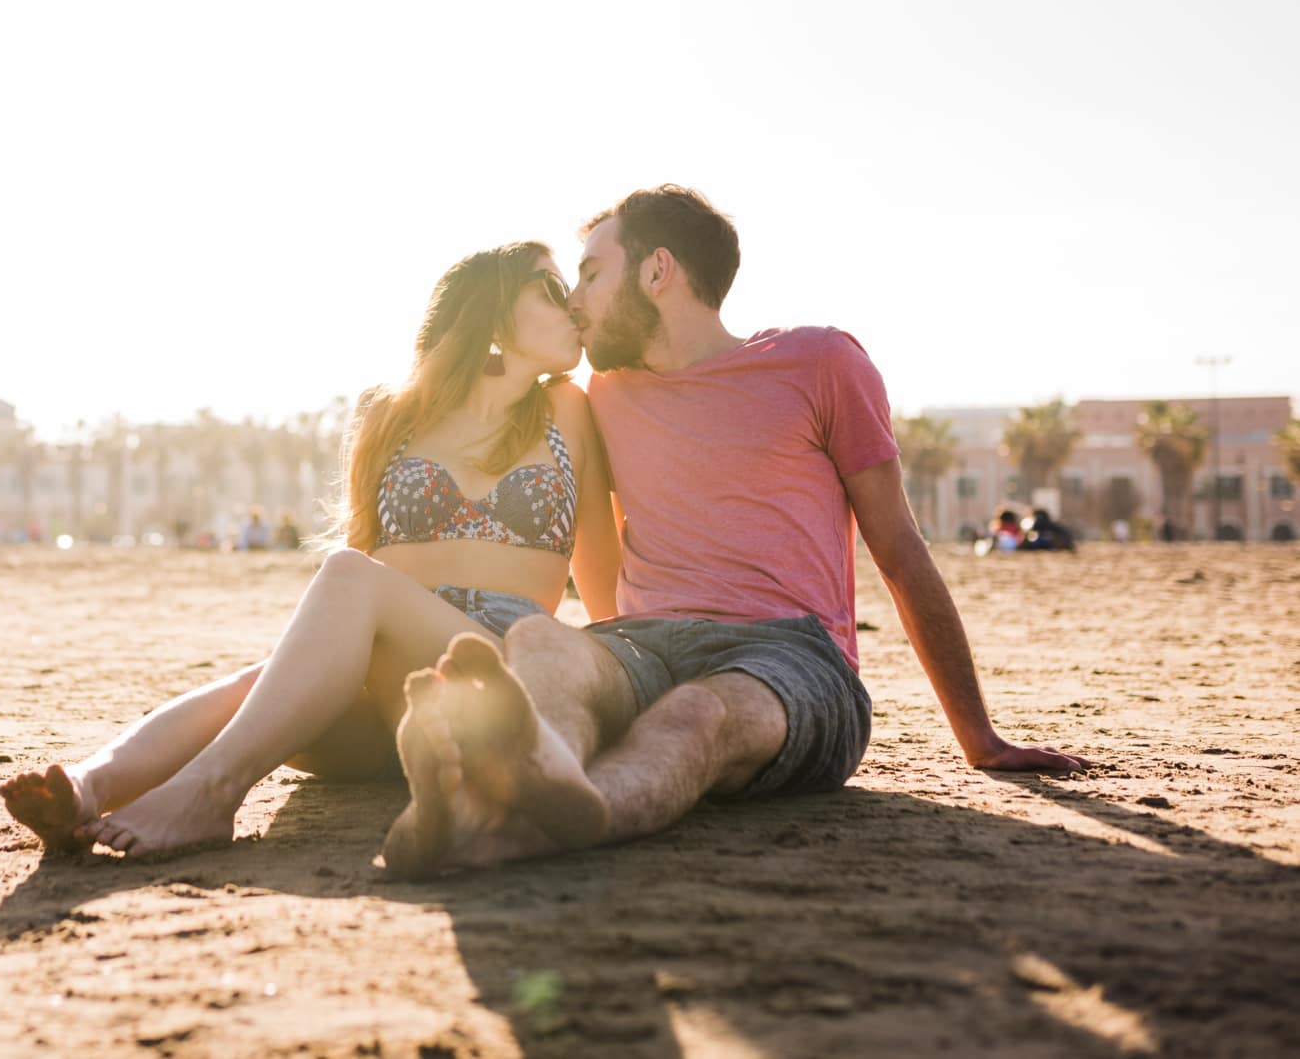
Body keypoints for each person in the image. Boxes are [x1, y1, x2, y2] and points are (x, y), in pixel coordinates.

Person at [381, 186, 1089, 876]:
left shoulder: (820, 364)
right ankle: (503, 800)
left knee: (694, 714)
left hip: (792, 656)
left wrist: (979, 737)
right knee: (541, 642)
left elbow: (900, 551)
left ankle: (579, 808)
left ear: (658, 271)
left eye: (592, 274)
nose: (574, 299)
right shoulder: (606, 395)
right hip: (645, 644)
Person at [0, 242, 619, 859]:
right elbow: (363, 564)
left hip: (485, 675)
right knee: (260, 682)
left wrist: (608, 696)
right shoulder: (392, 415)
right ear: (493, 306)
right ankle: (87, 786)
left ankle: (211, 790)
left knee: (346, 578)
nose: (573, 308)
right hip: (381, 703)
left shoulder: (567, 409)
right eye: (552, 290)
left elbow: (604, 586)